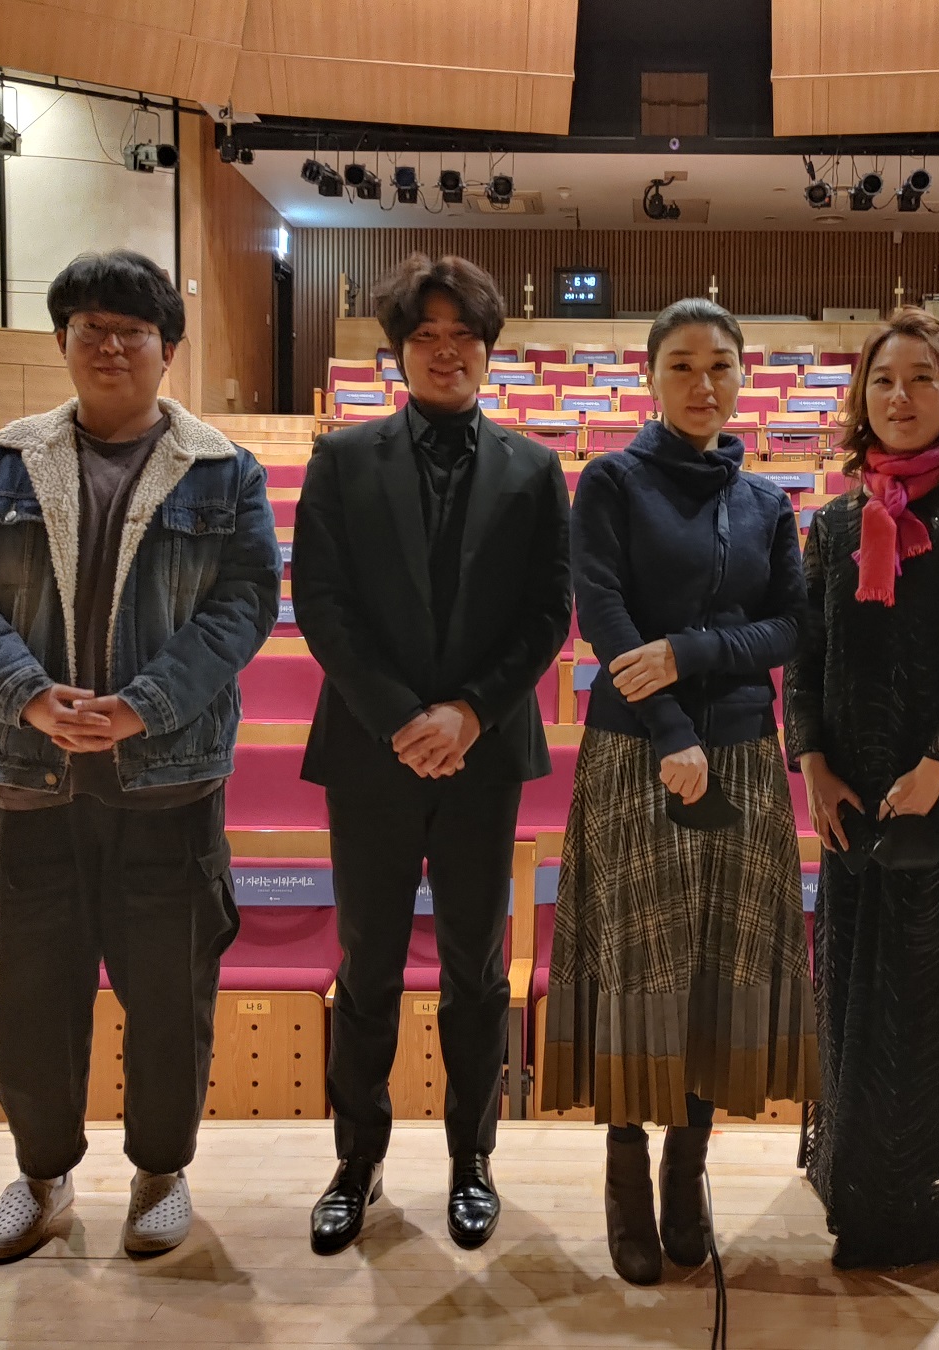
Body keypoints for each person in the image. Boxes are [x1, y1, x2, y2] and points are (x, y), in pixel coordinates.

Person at [0, 249, 282, 1263]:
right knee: (30, 997)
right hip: (28, 781)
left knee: (169, 994)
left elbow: (245, 605)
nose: (112, 347)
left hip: (168, 783)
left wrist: (143, 708)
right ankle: (42, 1178)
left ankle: (161, 1172)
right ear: (63, 342)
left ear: (169, 348)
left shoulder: (223, 471)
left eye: (133, 331)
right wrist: (29, 696)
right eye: (92, 329)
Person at [292, 254, 570, 1256]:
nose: (445, 352)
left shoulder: (534, 469)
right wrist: (404, 719)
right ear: (397, 353)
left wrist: (468, 715)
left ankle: (472, 1158)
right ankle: (356, 1163)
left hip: (481, 756)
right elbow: (321, 604)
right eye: (426, 337)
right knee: (367, 966)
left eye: (463, 337)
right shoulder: (341, 459)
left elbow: (547, 613)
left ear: (489, 352)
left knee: (476, 971)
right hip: (372, 754)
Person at [539, 298, 814, 1286]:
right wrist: (671, 728)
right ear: (651, 376)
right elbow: (603, 609)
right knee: (638, 959)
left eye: (721, 365)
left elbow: (791, 626)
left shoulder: (767, 502)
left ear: (743, 377)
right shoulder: (612, 481)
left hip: (741, 751)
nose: (704, 383)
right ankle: (625, 1179)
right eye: (684, 365)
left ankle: (686, 1174)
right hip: (637, 752)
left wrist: (694, 653)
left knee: (710, 964)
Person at [783, 306, 939, 1270]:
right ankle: (853, 1175)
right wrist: (814, 764)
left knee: (933, 992)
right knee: (851, 979)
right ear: (860, 398)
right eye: (883, 379)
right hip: (851, 793)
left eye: (922, 378)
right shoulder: (836, 522)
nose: (901, 396)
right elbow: (806, 654)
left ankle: (928, 1198)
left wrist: (938, 767)